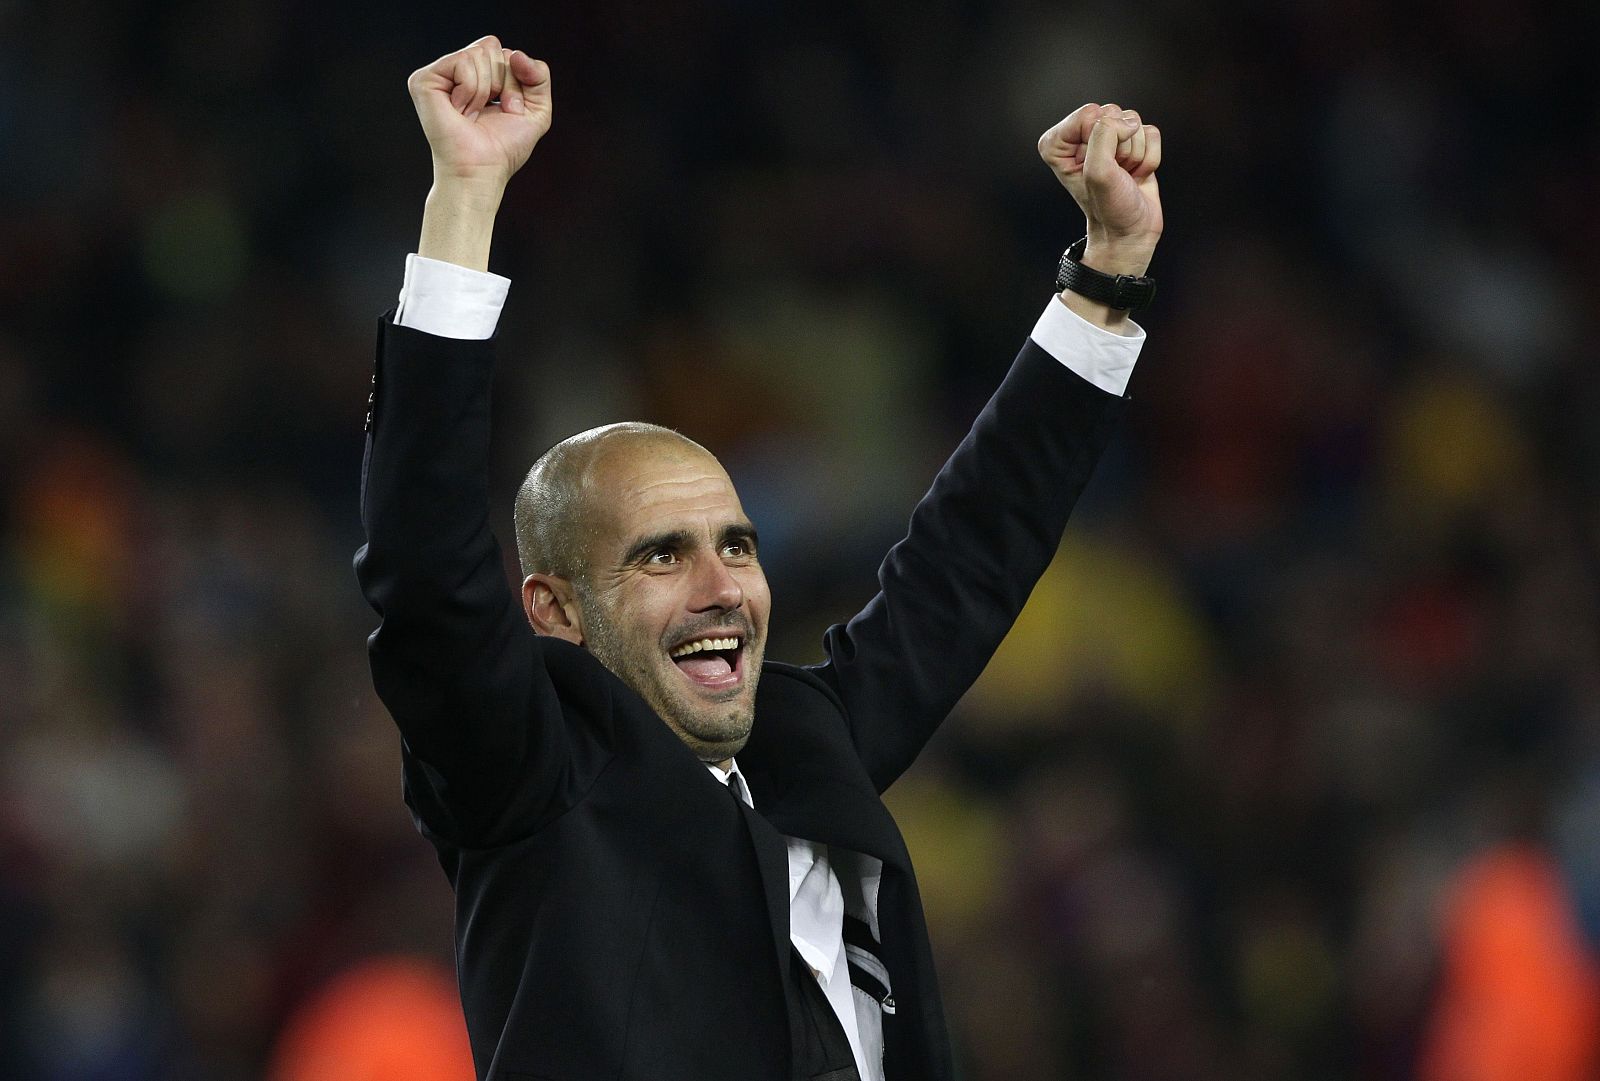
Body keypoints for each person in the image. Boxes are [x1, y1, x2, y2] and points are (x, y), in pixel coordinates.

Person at [355, 34, 1163, 1081]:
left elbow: (969, 554)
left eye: (736, 545)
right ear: (554, 609)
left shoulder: (805, 743)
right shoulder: (532, 781)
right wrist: (464, 198)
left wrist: (1107, 273)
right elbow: (426, 573)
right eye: (661, 557)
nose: (721, 588)